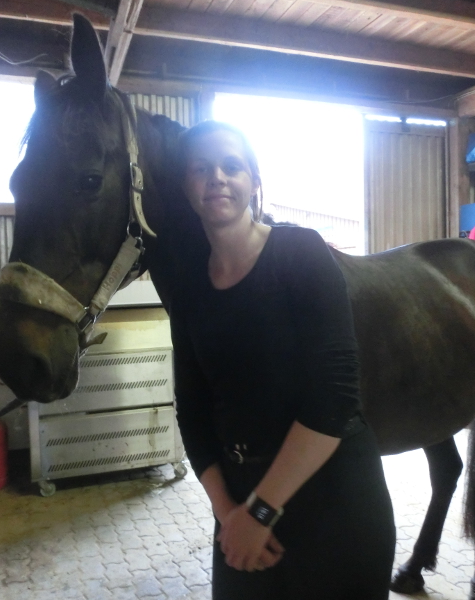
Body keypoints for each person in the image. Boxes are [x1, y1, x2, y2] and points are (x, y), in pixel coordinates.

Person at [169, 120, 395, 599]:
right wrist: (229, 515)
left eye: (231, 166)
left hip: (333, 497)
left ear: (254, 182)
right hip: (240, 502)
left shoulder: (300, 253)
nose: (216, 177)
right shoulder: (189, 287)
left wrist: (259, 512)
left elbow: (335, 398)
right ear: (186, 188)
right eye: (201, 169)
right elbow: (192, 411)